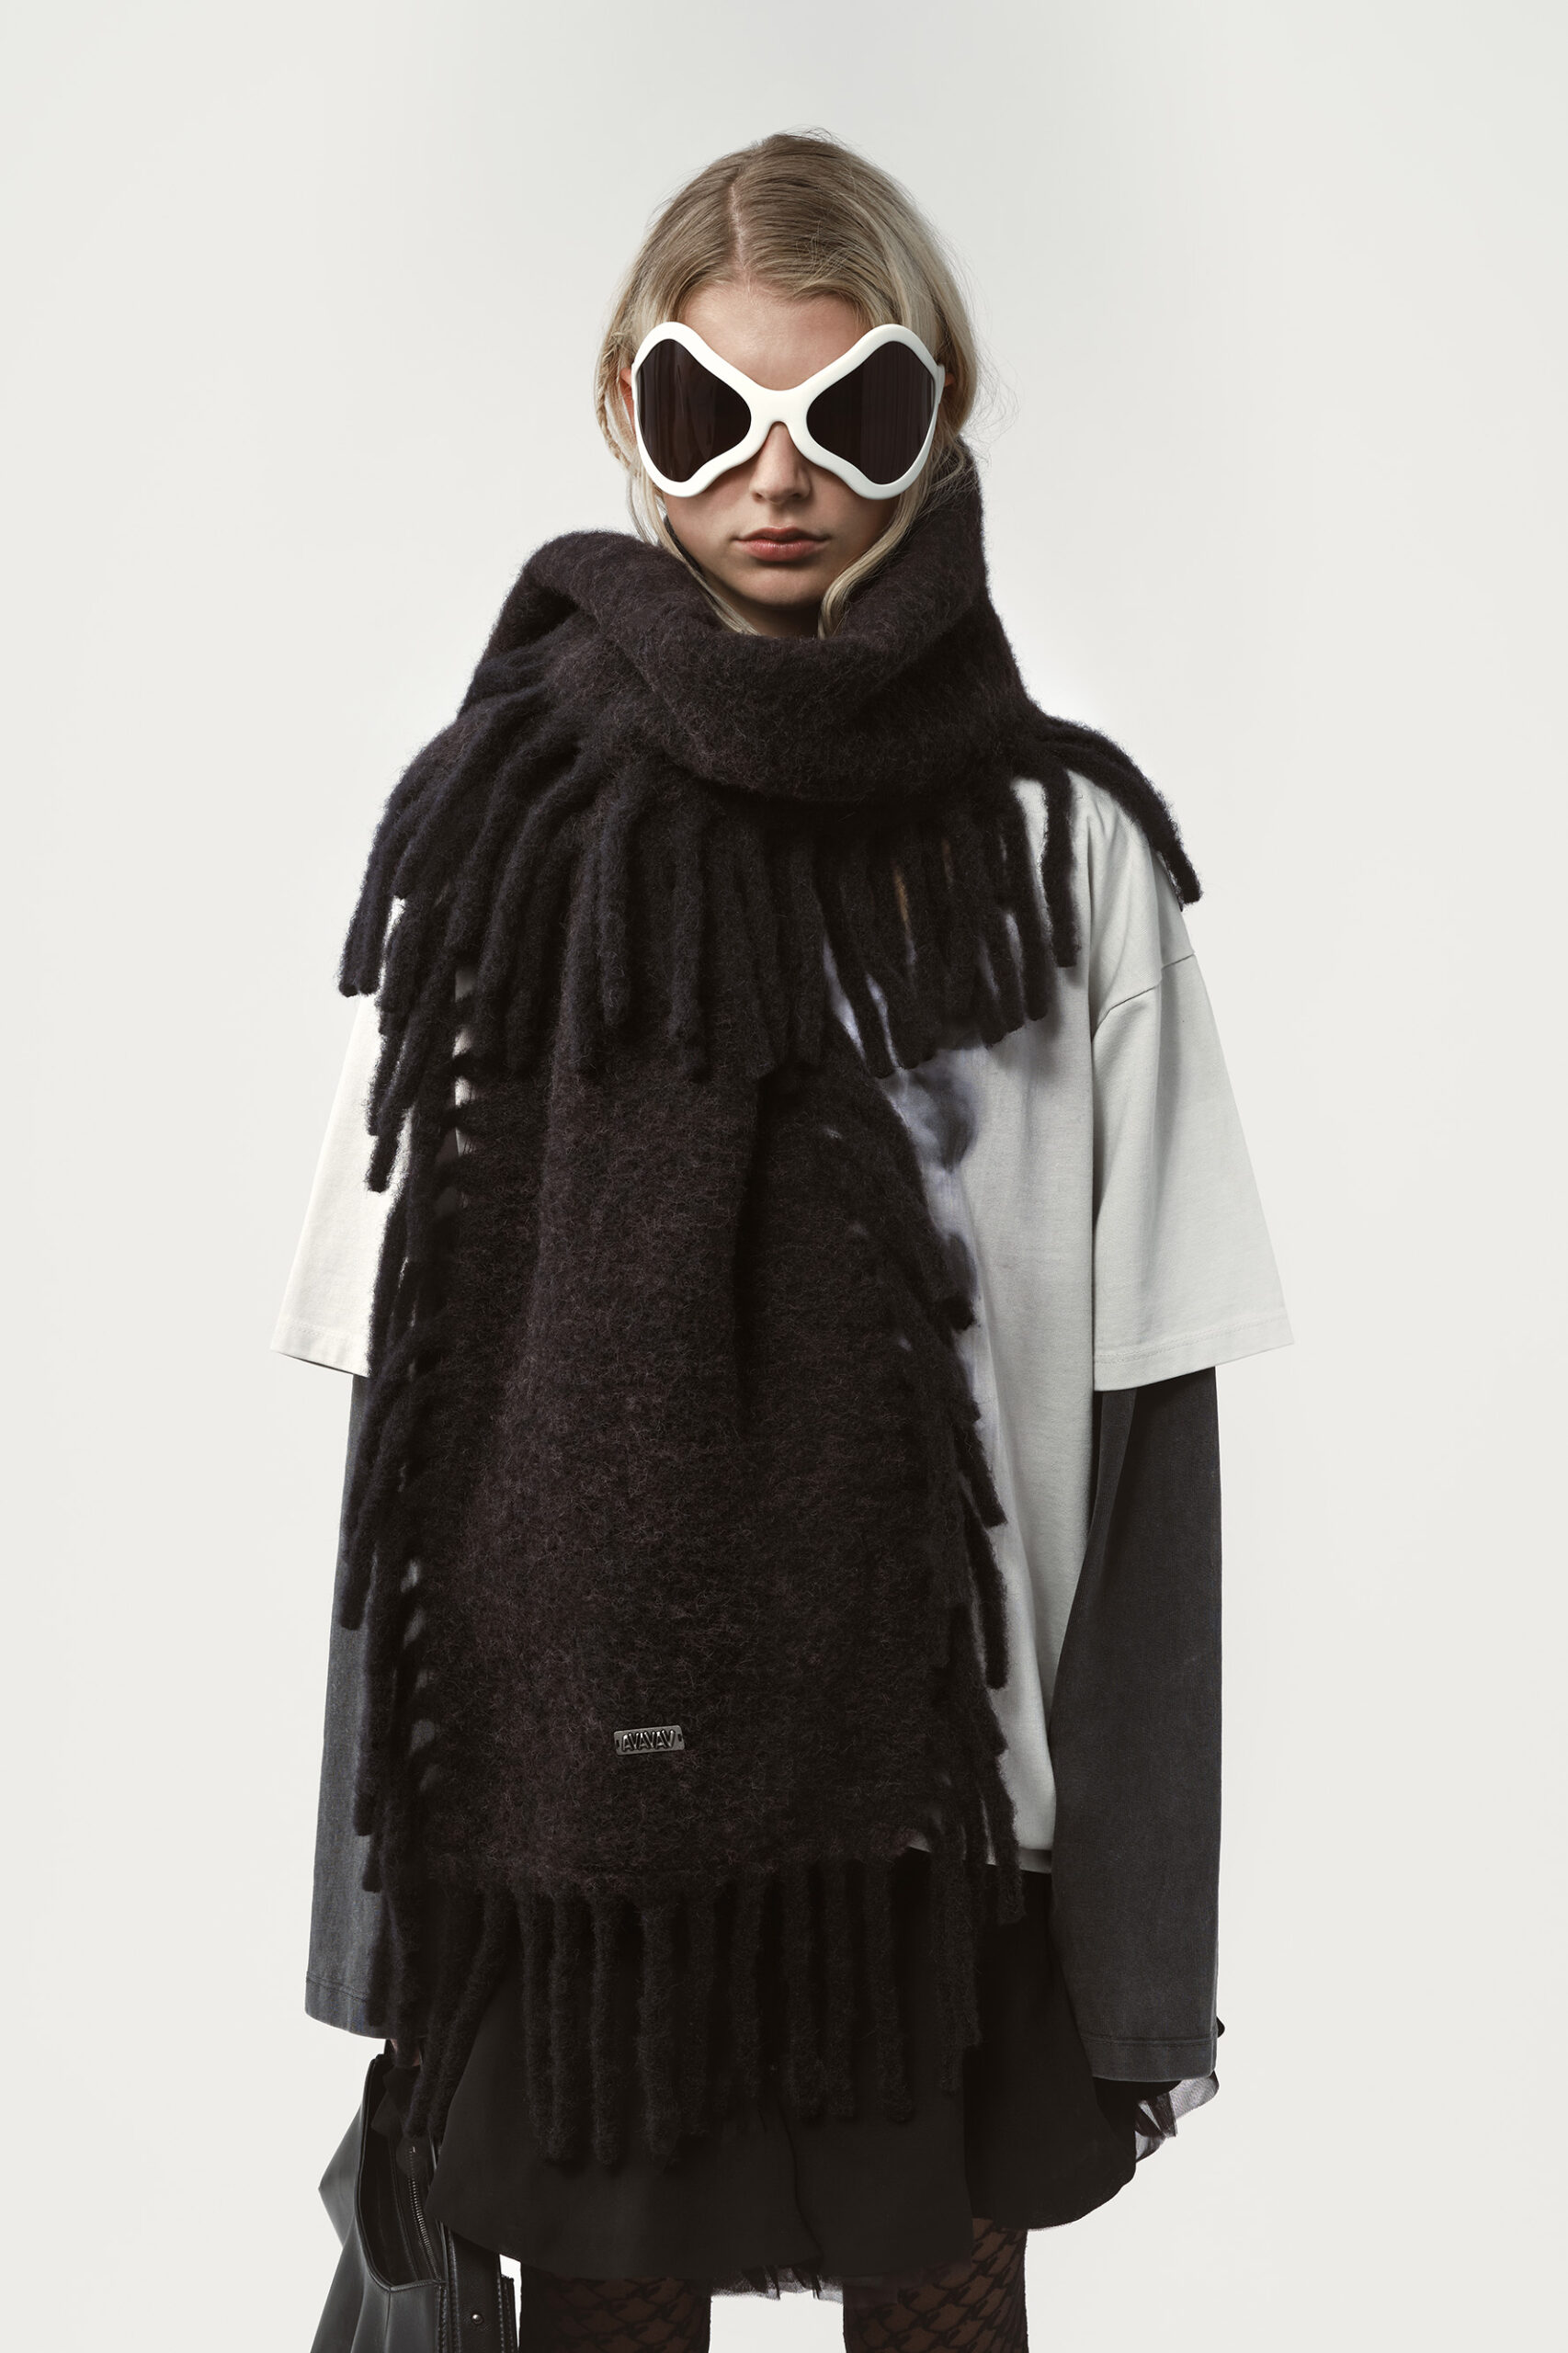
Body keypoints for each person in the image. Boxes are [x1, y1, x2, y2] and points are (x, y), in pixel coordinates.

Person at [275, 130, 1290, 2351]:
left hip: (941, 1823)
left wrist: (1139, 1943)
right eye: (705, 408)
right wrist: (379, 1938)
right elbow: (407, 1445)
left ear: (937, 413)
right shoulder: (495, 845)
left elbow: (1152, 1427)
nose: (776, 476)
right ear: (619, 409)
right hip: (572, 1839)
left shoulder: (1059, 855)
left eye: (850, 411)